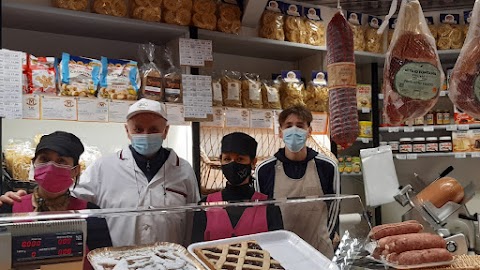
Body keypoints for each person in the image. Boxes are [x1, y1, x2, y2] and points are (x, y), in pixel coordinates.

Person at [1, 98, 200, 247]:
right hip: (118, 264)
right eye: (138, 129)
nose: (145, 135)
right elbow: (63, 199)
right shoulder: (104, 167)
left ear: (166, 131)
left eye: (153, 129)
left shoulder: (183, 171)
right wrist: (25, 199)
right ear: (127, 130)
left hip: (172, 263)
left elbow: (193, 223)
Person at [0, 131, 112, 270]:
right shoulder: (9, 207)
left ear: (75, 170)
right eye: (44, 159)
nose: (51, 166)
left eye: (61, 161)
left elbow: (105, 265)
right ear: (33, 163)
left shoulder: (90, 213)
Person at [254, 105, 340, 259]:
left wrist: (328, 237)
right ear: (280, 132)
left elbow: (335, 207)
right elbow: (262, 214)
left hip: (319, 252)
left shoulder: (327, 166)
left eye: (300, 126)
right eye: (288, 126)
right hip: (280, 253)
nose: (294, 130)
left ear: (309, 131)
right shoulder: (264, 170)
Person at [192, 132, 283, 243]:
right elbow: (195, 250)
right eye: (227, 159)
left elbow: (277, 248)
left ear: (253, 162)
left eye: (240, 159)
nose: (233, 164)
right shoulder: (205, 205)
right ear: (221, 161)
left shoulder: (269, 207)